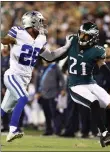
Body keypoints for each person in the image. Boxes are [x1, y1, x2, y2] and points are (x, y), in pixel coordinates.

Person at [40, 21, 110, 147]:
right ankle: (104, 133)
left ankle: (105, 133)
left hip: (90, 83)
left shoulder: (98, 50)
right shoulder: (72, 41)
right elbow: (53, 57)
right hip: (75, 85)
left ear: (93, 37)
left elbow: (103, 68)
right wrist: (41, 50)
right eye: (81, 34)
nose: (81, 37)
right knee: (94, 102)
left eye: (85, 36)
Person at [1, 10, 72, 142]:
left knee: (4, 109)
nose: (42, 25)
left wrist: (67, 47)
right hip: (13, 75)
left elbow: (50, 56)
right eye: (40, 22)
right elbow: (6, 40)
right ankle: (13, 129)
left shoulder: (41, 39)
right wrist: (8, 40)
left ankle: (11, 128)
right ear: (31, 22)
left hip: (24, 80)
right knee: (23, 97)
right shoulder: (18, 32)